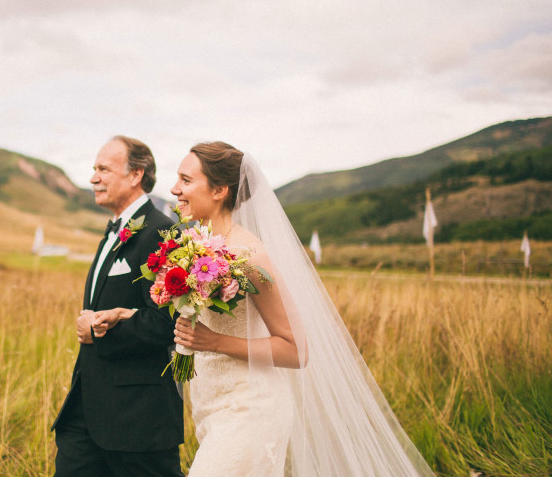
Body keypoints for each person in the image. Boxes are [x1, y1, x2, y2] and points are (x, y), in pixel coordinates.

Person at [97, 141, 434, 476]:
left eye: (186, 180)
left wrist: (213, 342)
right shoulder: (195, 246)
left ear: (219, 190)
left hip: (250, 409)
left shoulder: (249, 256)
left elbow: (296, 349)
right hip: (211, 409)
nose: (174, 189)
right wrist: (126, 315)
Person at [51, 136, 183, 477]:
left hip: (137, 420)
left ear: (136, 174)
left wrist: (98, 333)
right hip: (85, 411)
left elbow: (168, 322)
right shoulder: (113, 233)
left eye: (103, 169)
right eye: (94, 169)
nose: (93, 178)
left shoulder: (162, 232)